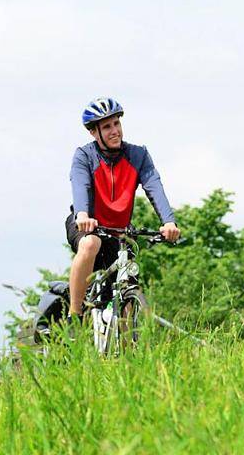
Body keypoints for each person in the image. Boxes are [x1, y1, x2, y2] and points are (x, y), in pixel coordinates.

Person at [66, 97, 180, 321]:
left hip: (119, 232)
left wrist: (169, 221)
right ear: (93, 132)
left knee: (127, 290)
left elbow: (154, 187)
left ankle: (127, 354)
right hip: (88, 225)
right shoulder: (84, 156)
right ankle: (75, 314)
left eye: (117, 123)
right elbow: (80, 186)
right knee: (90, 243)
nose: (114, 131)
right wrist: (83, 215)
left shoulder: (138, 155)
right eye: (107, 127)